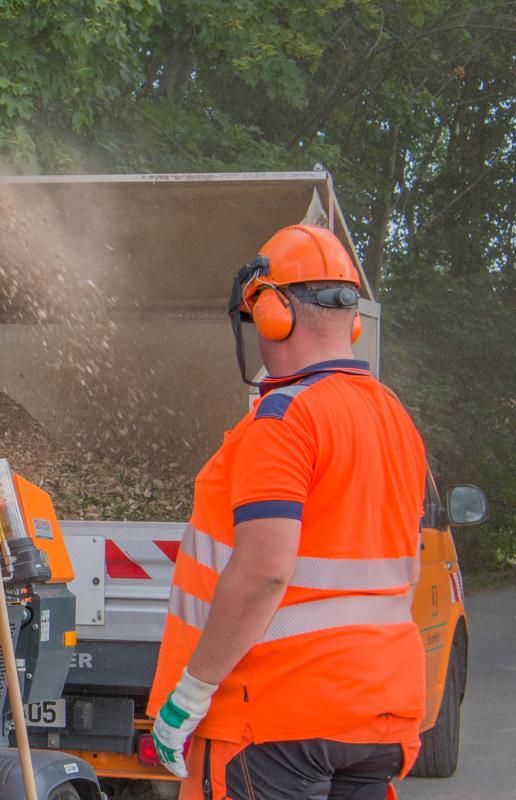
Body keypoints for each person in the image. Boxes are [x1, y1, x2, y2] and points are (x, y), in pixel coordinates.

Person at [148, 225, 429, 800]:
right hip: (381, 713)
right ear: (352, 319)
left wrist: (191, 695)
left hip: (276, 717)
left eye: (256, 317)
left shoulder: (284, 418)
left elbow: (265, 570)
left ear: (275, 313)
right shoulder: (395, 419)